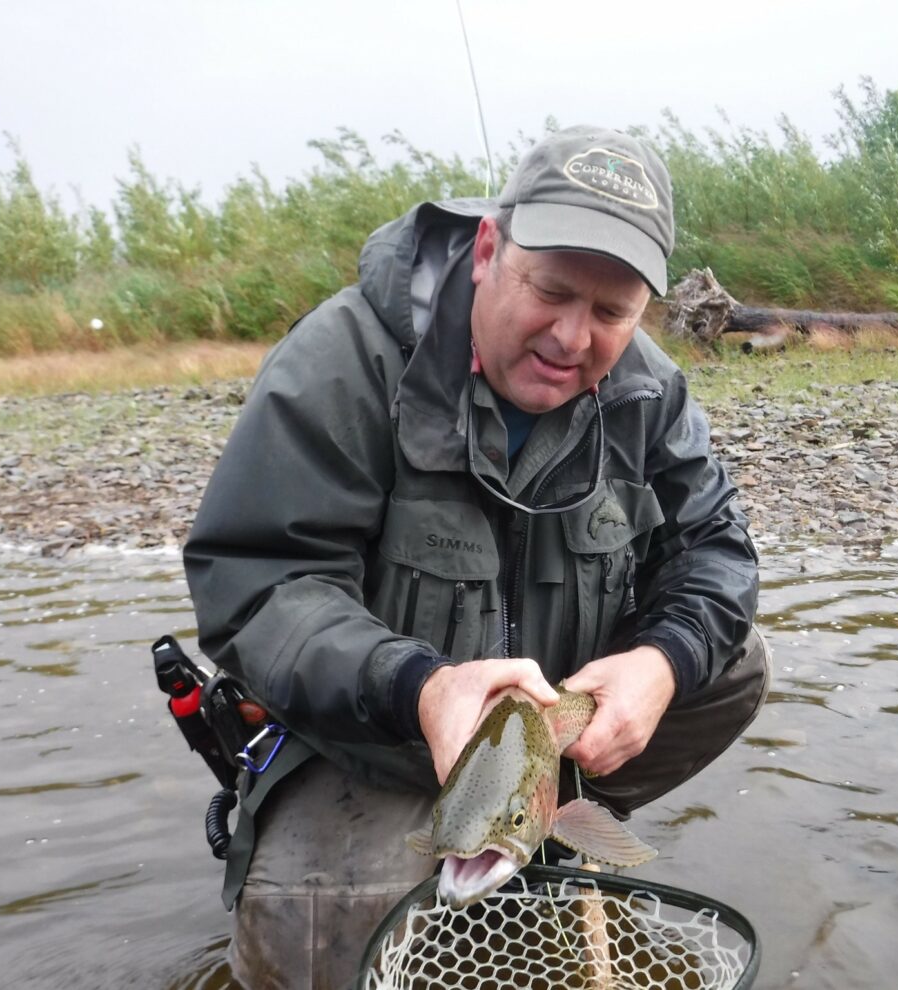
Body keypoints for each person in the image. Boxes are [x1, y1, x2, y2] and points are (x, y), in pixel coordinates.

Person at [183, 125, 770, 989]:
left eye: (612, 313)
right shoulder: (343, 364)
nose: (574, 337)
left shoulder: (649, 388)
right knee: (306, 937)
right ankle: (460, 831)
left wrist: (660, 663)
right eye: (553, 291)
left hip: (552, 723)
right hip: (374, 739)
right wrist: (415, 685)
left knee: (734, 665)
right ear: (491, 248)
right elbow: (260, 585)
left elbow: (717, 549)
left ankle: (549, 812)